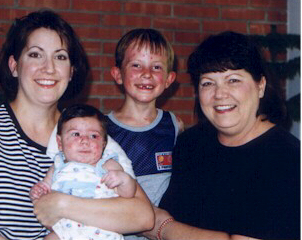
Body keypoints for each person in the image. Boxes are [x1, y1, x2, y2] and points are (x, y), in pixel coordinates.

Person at [0, 10, 154, 240]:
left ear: (71, 71)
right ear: (14, 65)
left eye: (60, 57)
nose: (48, 68)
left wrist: (63, 204)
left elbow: (143, 216)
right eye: (35, 54)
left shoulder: (86, 133)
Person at [143, 31, 300, 240]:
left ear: (260, 86)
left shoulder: (288, 157)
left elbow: (162, 223)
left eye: (233, 80)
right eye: (208, 82)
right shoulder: (190, 144)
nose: (220, 94)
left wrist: (165, 229)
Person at [106, 28, 184, 240]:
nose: (146, 73)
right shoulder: (101, 130)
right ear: (118, 75)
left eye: (156, 67)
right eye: (136, 65)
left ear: (169, 79)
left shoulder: (174, 126)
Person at [30, 104, 136, 240]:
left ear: (104, 144)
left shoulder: (107, 164)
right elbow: (44, 189)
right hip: (65, 231)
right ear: (59, 142)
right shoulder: (57, 166)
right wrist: (38, 191)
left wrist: (124, 179)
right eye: (76, 134)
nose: (85, 141)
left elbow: (128, 194)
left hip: (102, 230)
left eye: (93, 136)